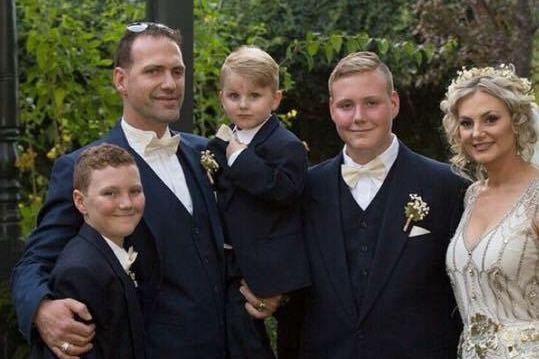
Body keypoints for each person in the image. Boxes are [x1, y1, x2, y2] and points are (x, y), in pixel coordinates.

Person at [11, 22, 227, 359]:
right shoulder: (80, 167)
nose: (170, 84)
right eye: (153, 71)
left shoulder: (206, 154)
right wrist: (41, 309)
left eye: (177, 71)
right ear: (120, 80)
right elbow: (37, 259)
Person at [291, 51, 468, 359]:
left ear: (394, 103)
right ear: (332, 109)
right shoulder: (303, 189)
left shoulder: (449, 187)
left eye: (371, 103)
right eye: (346, 105)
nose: (359, 116)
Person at [204, 45, 310, 359]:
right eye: (234, 96)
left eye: (255, 96)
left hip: (274, 267)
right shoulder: (216, 146)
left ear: (275, 99)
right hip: (229, 263)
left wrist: (239, 159)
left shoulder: (287, 145)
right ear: (222, 97)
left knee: (285, 343)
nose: (244, 105)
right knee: (238, 339)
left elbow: (284, 191)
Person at [441, 64, 539, 359]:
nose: (477, 133)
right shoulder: (471, 195)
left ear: (517, 121)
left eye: (491, 119)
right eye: (467, 123)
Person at [32, 143, 145, 359]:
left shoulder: (111, 252)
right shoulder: (79, 272)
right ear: (80, 202)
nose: (126, 203)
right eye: (110, 193)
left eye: (135, 191)